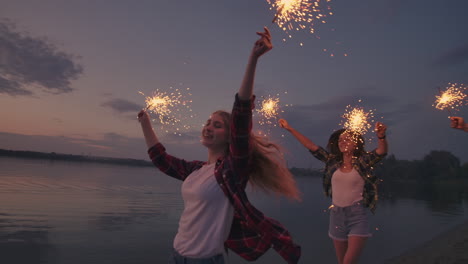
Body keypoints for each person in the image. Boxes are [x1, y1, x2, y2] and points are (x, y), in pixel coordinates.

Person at [138, 27, 301, 264]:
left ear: (230, 136)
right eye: (207, 123)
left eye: (217, 125)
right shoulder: (196, 171)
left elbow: (242, 114)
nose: (208, 127)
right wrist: (145, 124)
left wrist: (253, 59)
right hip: (176, 255)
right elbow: (161, 160)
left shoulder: (232, 171)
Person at [279, 118, 388, 264]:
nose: (342, 141)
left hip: (357, 216)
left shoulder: (363, 161)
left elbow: (381, 151)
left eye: (347, 139)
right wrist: (289, 128)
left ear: (356, 143)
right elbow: (311, 146)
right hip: (336, 216)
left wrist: (381, 136)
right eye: (340, 140)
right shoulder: (332, 161)